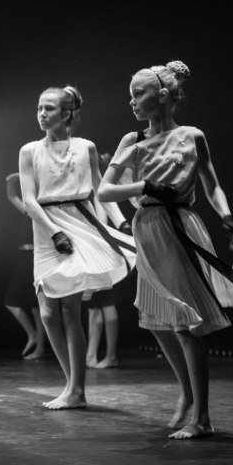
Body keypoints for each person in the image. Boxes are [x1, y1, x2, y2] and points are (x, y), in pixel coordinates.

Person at [99, 60, 233, 439]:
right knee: (157, 318)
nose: (132, 101)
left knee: (184, 322)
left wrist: (227, 216)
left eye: (138, 93)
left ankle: (203, 418)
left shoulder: (192, 136)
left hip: (179, 226)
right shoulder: (132, 140)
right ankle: (187, 394)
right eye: (131, 95)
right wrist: (143, 187)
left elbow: (212, 183)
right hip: (148, 228)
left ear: (162, 95)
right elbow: (105, 191)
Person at [19, 86, 135, 410]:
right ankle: (72, 384)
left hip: (80, 227)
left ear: (67, 113)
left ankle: (76, 390)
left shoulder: (86, 147)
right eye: (39, 108)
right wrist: (54, 232)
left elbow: (99, 190)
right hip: (47, 230)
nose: (42, 114)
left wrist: (121, 223)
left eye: (49, 108)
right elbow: (29, 200)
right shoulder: (29, 151)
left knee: (70, 311)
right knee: (47, 312)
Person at [85, 153, 135, 369]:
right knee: (95, 306)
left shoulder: (97, 188)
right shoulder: (90, 188)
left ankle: (110, 355)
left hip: (101, 252)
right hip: (95, 251)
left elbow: (102, 221)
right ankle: (91, 355)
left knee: (106, 304)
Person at [4, 173, 48, 359]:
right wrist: (10, 180)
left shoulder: (43, 212)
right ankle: (32, 335)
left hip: (35, 257)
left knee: (36, 307)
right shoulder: (28, 210)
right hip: (23, 258)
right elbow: (11, 196)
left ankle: (40, 348)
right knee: (11, 301)